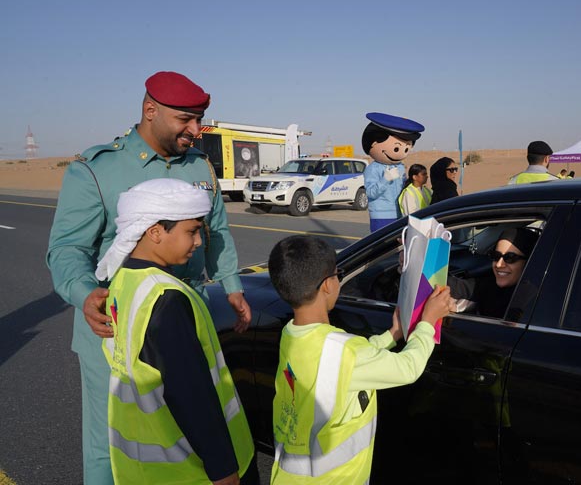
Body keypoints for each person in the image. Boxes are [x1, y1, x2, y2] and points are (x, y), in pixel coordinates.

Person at [46, 71, 252, 484]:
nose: (196, 130)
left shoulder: (200, 166)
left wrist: (232, 287)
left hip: (183, 319)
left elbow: (218, 232)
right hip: (116, 328)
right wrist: (86, 294)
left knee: (188, 430)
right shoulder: (98, 170)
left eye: (200, 119)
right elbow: (67, 250)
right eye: (185, 119)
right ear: (150, 110)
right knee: (114, 444)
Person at [96, 178, 257, 485]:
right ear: (155, 232)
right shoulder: (165, 297)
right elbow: (190, 394)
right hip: (190, 469)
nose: (198, 243)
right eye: (191, 231)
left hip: (143, 467)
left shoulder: (123, 280)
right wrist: (223, 470)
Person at [268, 235, 454, 484]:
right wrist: (428, 323)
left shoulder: (292, 335)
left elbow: (356, 358)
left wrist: (391, 335)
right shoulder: (343, 352)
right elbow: (408, 368)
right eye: (338, 273)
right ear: (327, 285)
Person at [448, 227, 539, 318]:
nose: (499, 264)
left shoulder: (535, 300)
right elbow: (458, 286)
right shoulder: (491, 285)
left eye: (510, 258)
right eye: (496, 256)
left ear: (528, 262)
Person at [361, 112, 425, 231]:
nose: (402, 152)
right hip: (381, 215)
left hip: (400, 212)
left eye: (406, 148)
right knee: (382, 247)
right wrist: (385, 179)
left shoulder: (400, 167)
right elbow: (370, 193)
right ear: (374, 143)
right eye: (396, 148)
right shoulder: (373, 168)